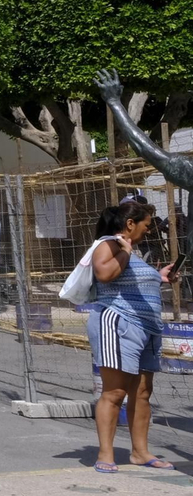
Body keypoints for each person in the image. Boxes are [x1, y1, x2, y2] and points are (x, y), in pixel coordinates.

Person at [88, 201, 180, 473]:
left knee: (141, 393)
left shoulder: (131, 253)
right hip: (118, 324)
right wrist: (126, 251)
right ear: (130, 224)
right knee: (114, 392)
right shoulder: (110, 244)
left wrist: (159, 277)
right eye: (147, 225)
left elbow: (130, 281)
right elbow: (104, 273)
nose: (150, 230)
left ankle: (140, 452)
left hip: (146, 330)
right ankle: (106, 454)